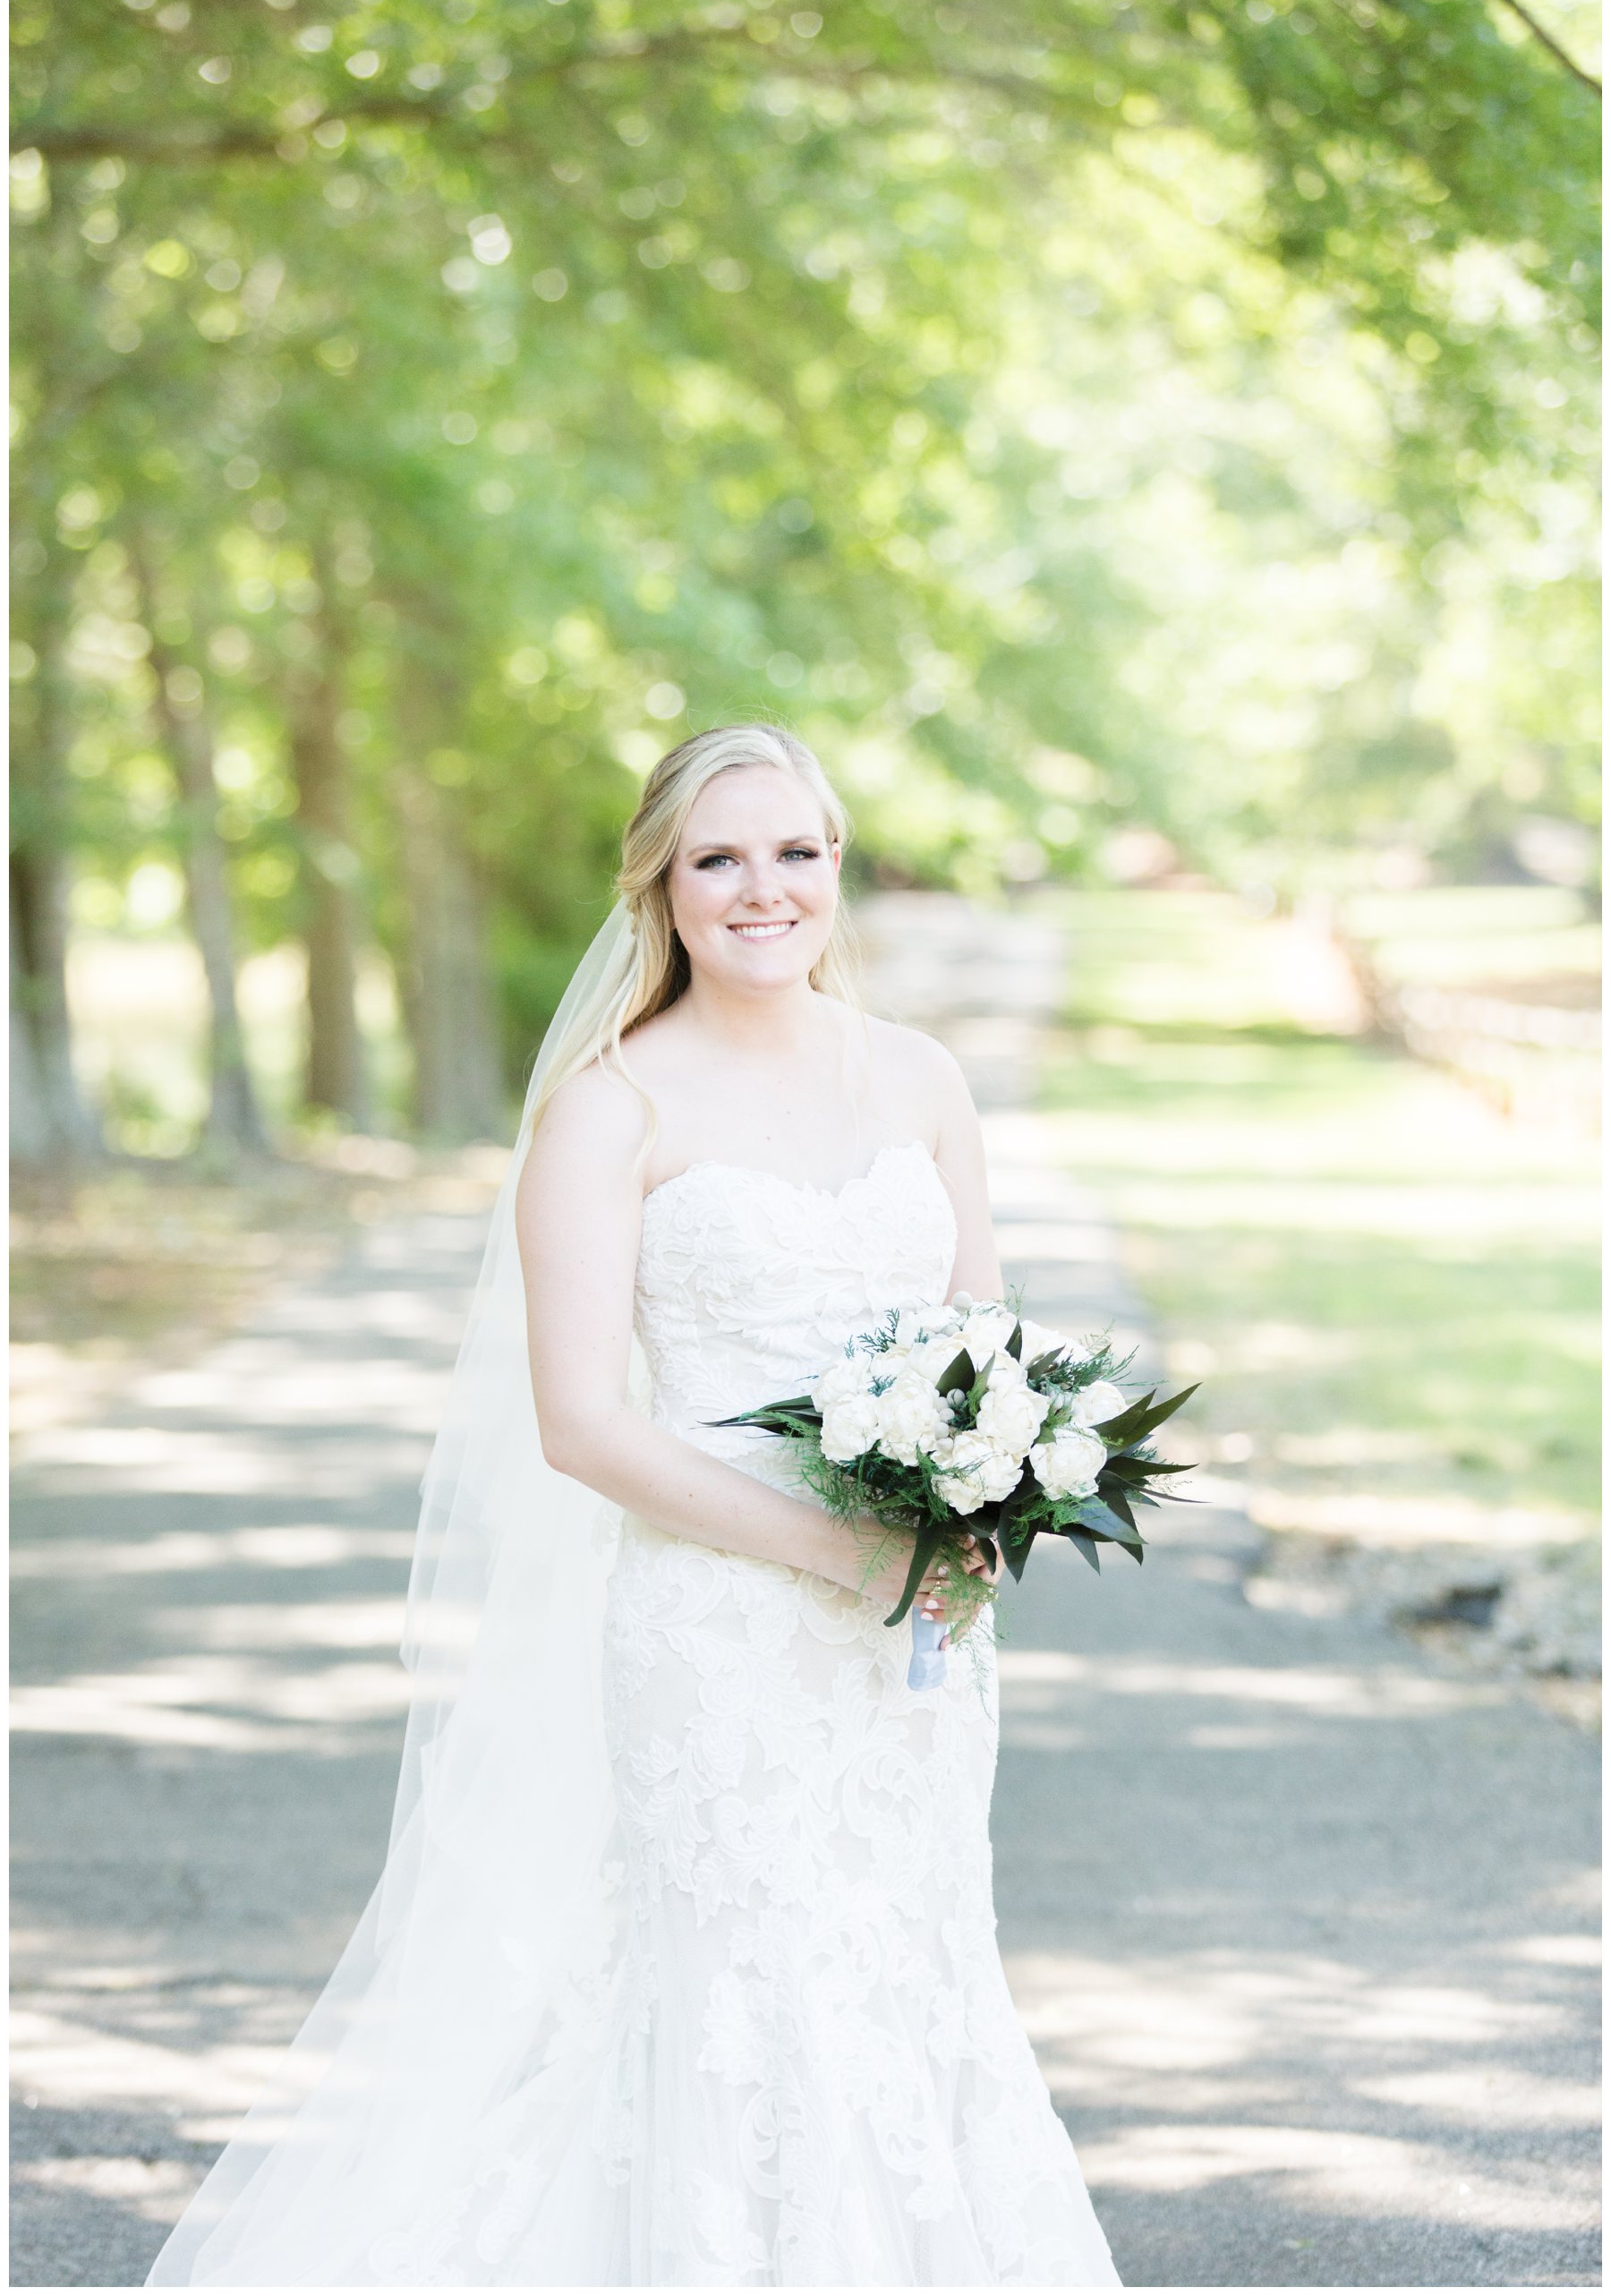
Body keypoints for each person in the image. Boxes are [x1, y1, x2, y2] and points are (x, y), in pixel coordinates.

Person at [148, 722, 1119, 2287]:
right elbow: (583, 1422)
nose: (762, 890)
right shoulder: (610, 1109)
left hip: (916, 1647)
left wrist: (980, 1513)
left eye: (795, 852)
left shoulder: (925, 1080)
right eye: (718, 858)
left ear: (836, 865)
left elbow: (981, 1347)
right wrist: (834, 1550)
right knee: (741, 1987)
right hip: (717, 1631)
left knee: (910, 1968)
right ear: (660, 884)